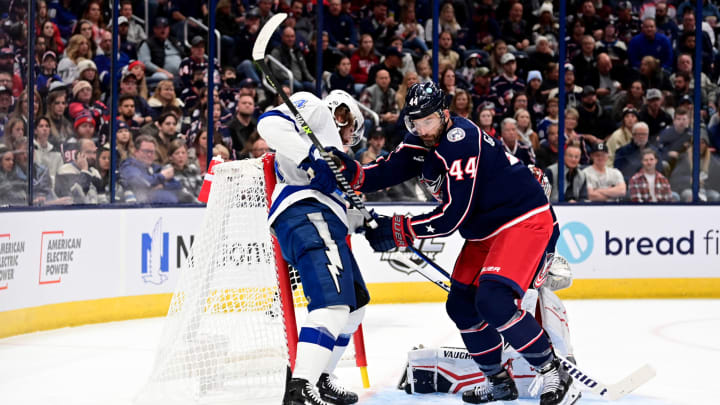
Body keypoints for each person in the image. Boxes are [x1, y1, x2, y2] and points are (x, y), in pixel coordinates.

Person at [349, 82, 575, 404]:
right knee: (461, 305)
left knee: (493, 300)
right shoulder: (421, 138)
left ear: (444, 114)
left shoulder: (461, 141)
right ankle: (497, 380)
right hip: (486, 231)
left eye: (427, 121)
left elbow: (453, 216)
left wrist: (400, 228)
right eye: (414, 122)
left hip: (522, 220)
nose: (421, 129)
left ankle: (552, 370)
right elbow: (382, 173)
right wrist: (346, 171)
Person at [256, 89, 368, 405]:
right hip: (307, 212)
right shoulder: (316, 108)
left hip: (324, 220)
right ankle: (301, 388)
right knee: (331, 305)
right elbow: (269, 125)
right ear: (344, 116)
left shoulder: (339, 159)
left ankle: (320, 375)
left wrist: (370, 224)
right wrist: (311, 156)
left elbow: (351, 213)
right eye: (350, 129)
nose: (349, 137)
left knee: (355, 305)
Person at [118, 135, 182, 203]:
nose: (149, 155)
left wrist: (163, 185)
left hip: (167, 209)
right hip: (140, 210)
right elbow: (141, 182)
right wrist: (162, 177)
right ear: (136, 152)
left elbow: (177, 185)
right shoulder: (129, 166)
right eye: (146, 151)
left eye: (152, 152)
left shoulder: (156, 168)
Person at [54, 138, 104, 204]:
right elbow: (75, 198)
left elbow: (102, 199)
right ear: (77, 154)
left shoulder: (95, 172)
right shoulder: (64, 170)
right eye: (88, 152)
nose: (93, 156)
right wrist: (84, 170)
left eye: (94, 152)